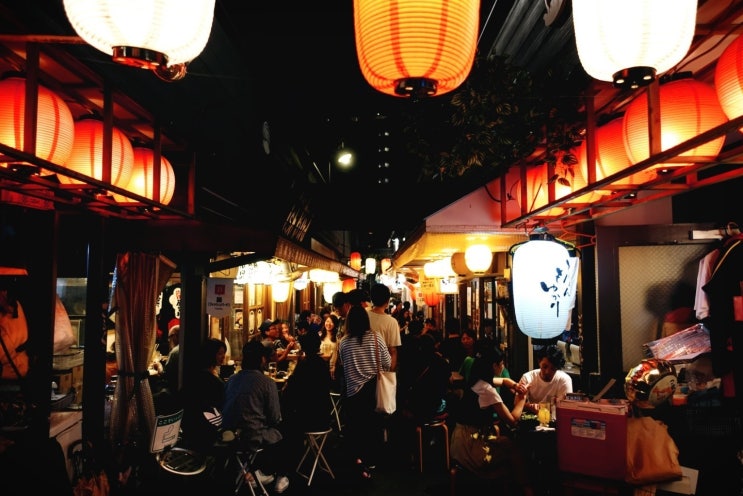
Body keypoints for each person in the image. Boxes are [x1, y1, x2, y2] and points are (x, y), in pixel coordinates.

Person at [450, 349, 533, 495]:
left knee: (506, 442)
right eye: (502, 363)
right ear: (494, 366)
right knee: (515, 450)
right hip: (472, 448)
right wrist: (522, 398)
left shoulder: (477, 380)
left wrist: (515, 385)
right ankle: (526, 489)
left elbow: (504, 381)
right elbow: (512, 421)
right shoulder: (488, 390)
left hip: (459, 442)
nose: (503, 366)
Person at [222, 340, 291, 494]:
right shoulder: (267, 383)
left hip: (229, 437)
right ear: (262, 359)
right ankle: (277, 474)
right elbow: (275, 417)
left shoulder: (231, 380)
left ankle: (250, 471)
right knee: (286, 430)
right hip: (251, 438)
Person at [338, 304, 391, 480]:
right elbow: (387, 362)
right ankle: (372, 460)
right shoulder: (376, 338)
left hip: (352, 392)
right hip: (372, 390)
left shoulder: (344, 342)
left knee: (355, 428)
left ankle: (358, 460)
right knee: (373, 425)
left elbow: (343, 365)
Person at [281, 331, 332, 461]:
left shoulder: (303, 365)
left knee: (285, 418)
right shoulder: (322, 364)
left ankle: (292, 458)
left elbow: (291, 391)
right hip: (324, 416)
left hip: (308, 419)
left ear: (303, 347)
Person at [181, 338, 227, 453]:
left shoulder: (194, 375)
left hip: (190, 427)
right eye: (220, 353)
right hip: (206, 430)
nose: (223, 356)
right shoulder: (212, 380)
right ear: (211, 355)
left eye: (224, 353)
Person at [518, 344, 573, 414]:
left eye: (553, 369)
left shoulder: (564, 380)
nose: (547, 372)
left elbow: (567, 408)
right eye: (545, 366)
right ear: (539, 362)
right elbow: (516, 404)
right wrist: (529, 407)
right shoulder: (527, 378)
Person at [367, 283, 401, 373]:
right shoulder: (392, 322)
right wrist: (390, 373)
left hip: (362, 368)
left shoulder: (363, 316)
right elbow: (393, 351)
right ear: (387, 301)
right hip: (382, 371)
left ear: (372, 299)